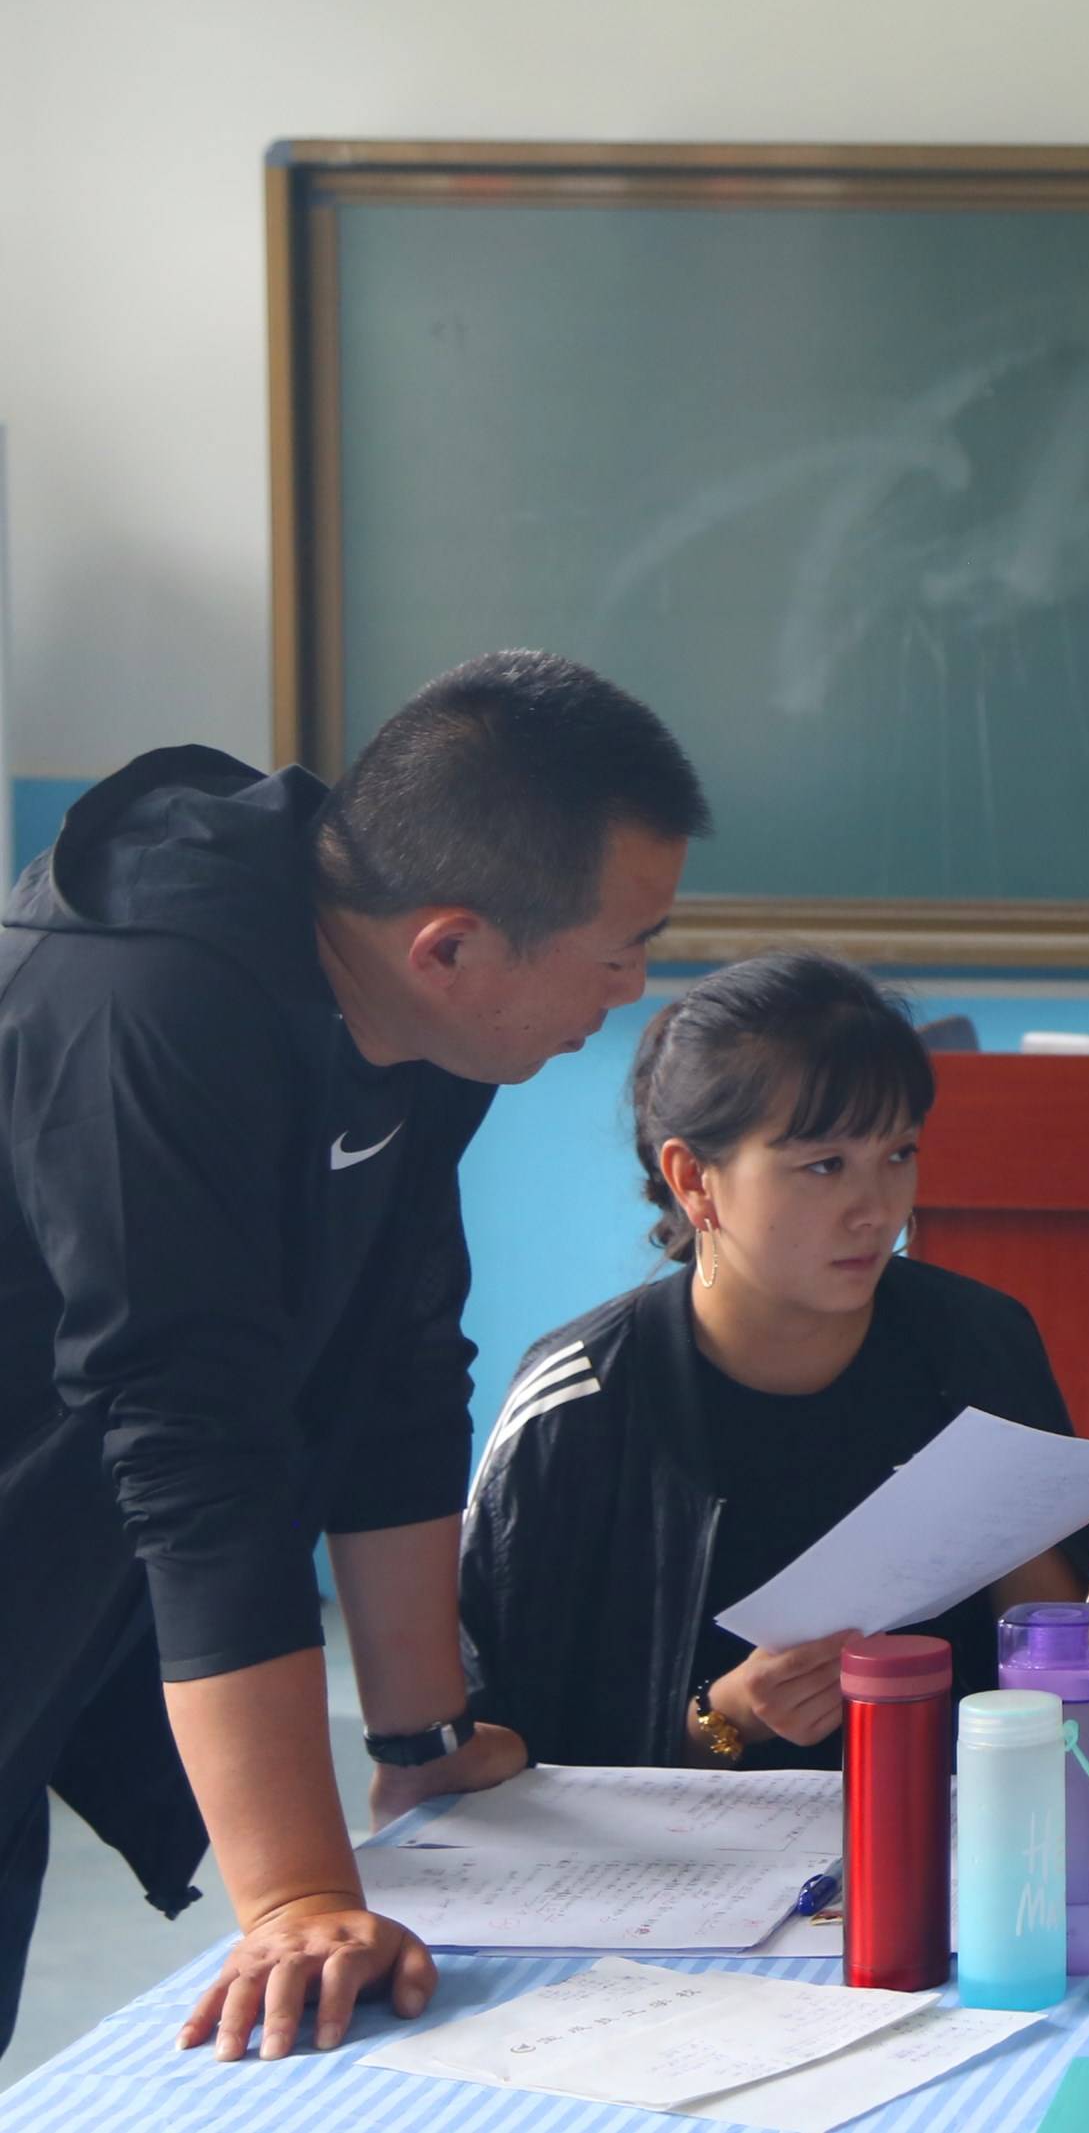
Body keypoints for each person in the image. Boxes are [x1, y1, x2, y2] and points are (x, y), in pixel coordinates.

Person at [0, 651, 708, 2062]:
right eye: (620, 947)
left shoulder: (408, 1019)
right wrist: (300, 1898)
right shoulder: (149, 1002)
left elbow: (395, 1375)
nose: (636, 986)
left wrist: (420, 1743)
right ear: (449, 945)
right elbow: (192, 1443)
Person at [462, 951, 1089, 1779]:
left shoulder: (974, 1343)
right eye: (823, 1166)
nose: (877, 1208)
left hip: (954, 1856)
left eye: (898, 1154)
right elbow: (502, 1764)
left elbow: (1070, 1718)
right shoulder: (579, 1404)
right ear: (693, 1180)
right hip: (670, 1884)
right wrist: (723, 1720)